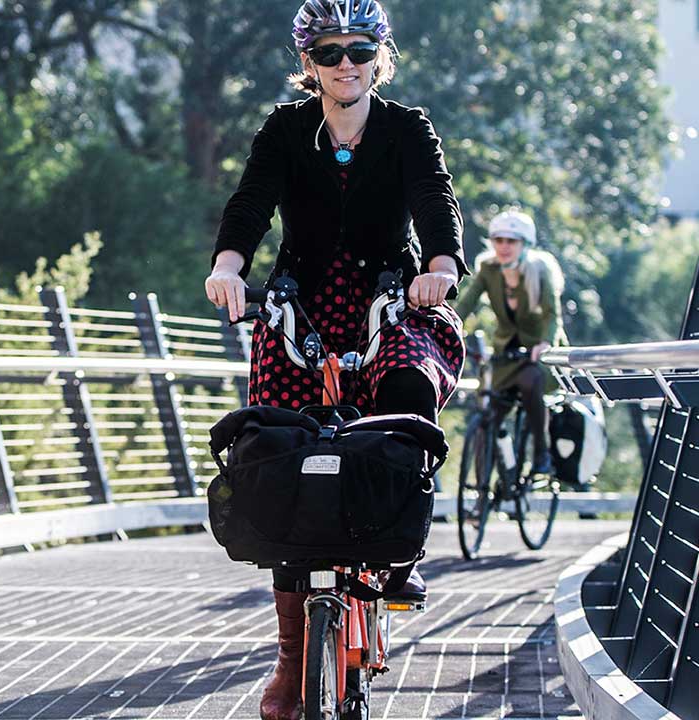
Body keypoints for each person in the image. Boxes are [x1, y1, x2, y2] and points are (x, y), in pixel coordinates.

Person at [203, 2, 467, 719]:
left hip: (391, 294)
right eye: (329, 52)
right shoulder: (285, 130)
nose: (345, 63)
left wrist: (439, 264)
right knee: (279, 446)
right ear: (309, 63)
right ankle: (292, 660)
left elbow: (433, 198)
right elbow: (251, 202)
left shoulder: (407, 128)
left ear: (380, 54)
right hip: (305, 305)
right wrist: (230, 266)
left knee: (410, 379)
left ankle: (398, 543)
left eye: (359, 48)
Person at [453, 209, 566, 476]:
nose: (503, 246)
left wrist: (546, 342)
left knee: (530, 382)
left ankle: (541, 452)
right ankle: (481, 497)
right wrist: (447, 328)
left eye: (511, 241)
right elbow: (466, 304)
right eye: (498, 240)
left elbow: (553, 314)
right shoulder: (488, 270)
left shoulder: (540, 270)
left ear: (525, 243)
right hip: (505, 355)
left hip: (538, 353)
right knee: (487, 420)